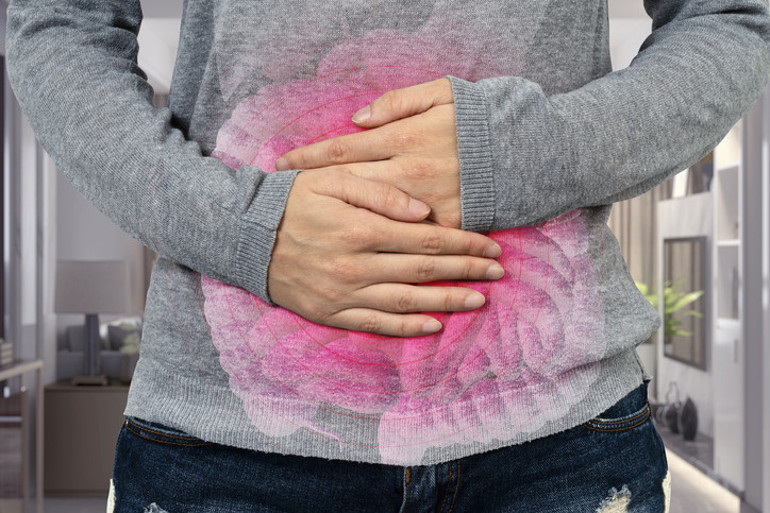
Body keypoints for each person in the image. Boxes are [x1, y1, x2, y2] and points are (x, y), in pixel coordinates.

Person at [7, 0, 770, 511]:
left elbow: (729, 17)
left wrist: (512, 155)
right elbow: (57, 24)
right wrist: (248, 230)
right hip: (226, 447)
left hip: (558, 443)